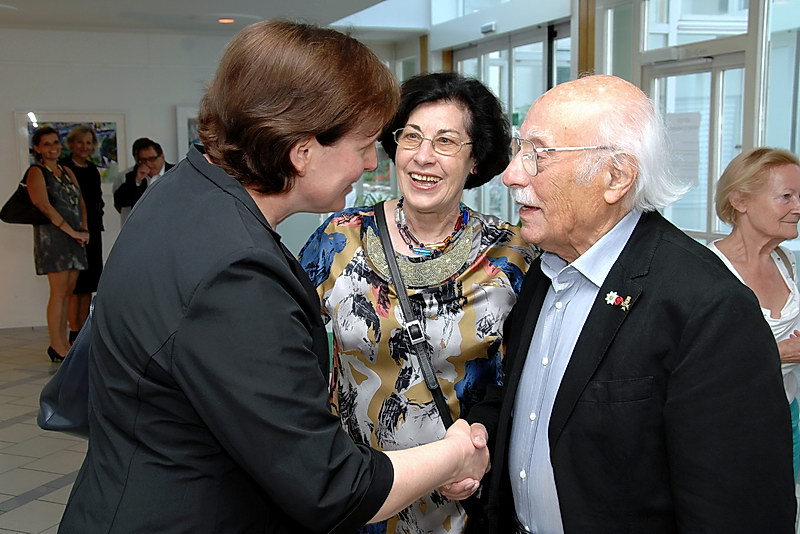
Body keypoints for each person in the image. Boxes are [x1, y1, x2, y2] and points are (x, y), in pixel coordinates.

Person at [58, 20, 489, 534]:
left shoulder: (181, 191)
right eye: (364, 145)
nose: (370, 163)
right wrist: (456, 453)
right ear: (302, 151)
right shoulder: (236, 273)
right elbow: (333, 488)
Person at [455, 74, 796, 532]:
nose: (512, 174)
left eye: (539, 154)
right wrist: (482, 432)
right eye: (520, 150)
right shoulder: (544, 269)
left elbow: (739, 509)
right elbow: (529, 402)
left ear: (616, 177)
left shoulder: (708, 307)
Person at [299, 71, 535, 534]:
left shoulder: (512, 255)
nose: (423, 157)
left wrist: (482, 444)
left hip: (461, 501)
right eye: (411, 137)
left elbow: (521, 386)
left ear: (475, 160)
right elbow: (286, 350)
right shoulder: (340, 238)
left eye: (446, 141)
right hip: (358, 495)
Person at [709, 147, 800, 524]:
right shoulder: (707, 272)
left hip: (786, 419)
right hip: (728, 432)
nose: (798, 207)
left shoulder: (787, 261)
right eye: (786, 196)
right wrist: (780, 353)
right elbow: (693, 368)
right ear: (740, 200)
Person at [25, 126, 89, 362]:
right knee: (59, 293)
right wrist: (71, 231)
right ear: (37, 148)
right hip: (54, 239)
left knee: (69, 292)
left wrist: (83, 229)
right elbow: (43, 206)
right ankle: (57, 344)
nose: (53, 147)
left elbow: (80, 202)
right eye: (47, 144)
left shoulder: (66, 170)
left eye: (55, 142)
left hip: (75, 237)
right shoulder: (36, 172)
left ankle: (63, 342)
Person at [59, 125, 104, 342]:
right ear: (71, 144)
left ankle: (83, 332)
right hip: (72, 232)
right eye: (80, 142)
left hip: (93, 232)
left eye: (88, 143)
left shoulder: (93, 169)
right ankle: (74, 331)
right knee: (73, 287)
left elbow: (97, 200)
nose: (84, 147)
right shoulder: (63, 168)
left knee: (88, 284)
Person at [112, 137, 174, 221]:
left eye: (152, 159)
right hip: (142, 225)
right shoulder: (132, 176)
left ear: (162, 156)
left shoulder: (176, 172)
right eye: (143, 160)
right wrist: (137, 181)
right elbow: (119, 202)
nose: (148, 164)